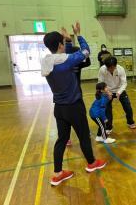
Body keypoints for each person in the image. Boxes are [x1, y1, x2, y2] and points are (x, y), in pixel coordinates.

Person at [41, 22, 106, 186]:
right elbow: (85, 51)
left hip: (59, 109)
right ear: (59, 45)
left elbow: (64, 57)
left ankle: (58, 174)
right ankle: (91, 163)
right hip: (74, 108)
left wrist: (68, 42)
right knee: (84, 136)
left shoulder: (47, 61)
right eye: (63, 43)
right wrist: (78, 34)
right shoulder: (66, 61)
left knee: (61, 140)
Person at [62, 28, 91, 146]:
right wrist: (77, 36)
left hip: (65, 94)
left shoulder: (62, 62)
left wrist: (68, 41)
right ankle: (83, 133)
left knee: (66, 117)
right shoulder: (76, 63)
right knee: (79, 113)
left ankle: (67, 138)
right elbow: (86, 56)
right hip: (75, 93)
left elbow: (87, 62)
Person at [98, 56, 136, 132]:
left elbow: (124, 83)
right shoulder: (102, 69)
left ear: (115, 65)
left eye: (112, 68)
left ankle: (130, 122)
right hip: (107, 90)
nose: (110, 69)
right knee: (107, 110)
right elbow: (100, 83)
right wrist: (107, 92)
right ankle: (109, 126)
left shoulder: (120, 69)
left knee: (128, 107)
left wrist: (119, 93)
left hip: (120, 90)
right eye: (108, 68)